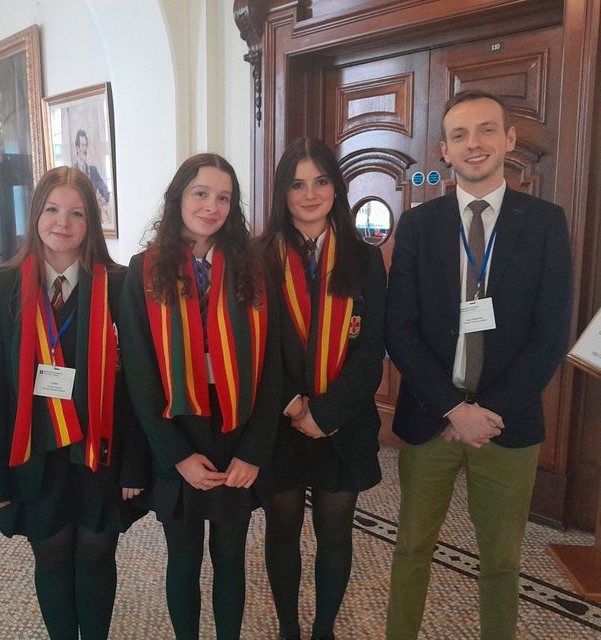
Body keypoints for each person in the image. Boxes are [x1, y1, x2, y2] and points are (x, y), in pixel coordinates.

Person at [384, 90, 573, 640]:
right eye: (461, 134)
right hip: (430, 420)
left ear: (510, 141)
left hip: (507, 424)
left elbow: (549, 334)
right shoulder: (418, 227)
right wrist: (452, 408)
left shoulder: (544, 223)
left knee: (502, 560)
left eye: (487, 130)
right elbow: (401, 329)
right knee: (412, 547)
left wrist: (485, 411)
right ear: (443, 149)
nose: (475, 144)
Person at [0, 166, 149, 640]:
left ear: (91, 221)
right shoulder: (6, 284)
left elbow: (139, 384)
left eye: (76, 212)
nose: (62, 222)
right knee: (50, 552)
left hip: (102, 454)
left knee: (96, 551)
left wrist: (136, 466)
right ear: (36, 215)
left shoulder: (119, 283)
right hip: (35, 453)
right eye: (51, 209)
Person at [120, 153, 281, 640]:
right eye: (201, 194)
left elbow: (272, 368)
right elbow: (141, 379)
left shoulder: (252, 269)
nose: (212, 206)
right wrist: (176, 457)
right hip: (178, 432)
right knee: (184, 558)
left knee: (231, 556)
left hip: (235, 430)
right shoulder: (143, 272)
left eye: (224, 198)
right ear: (178, 198)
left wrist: (254, 450)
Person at [259, 138, 386, 640]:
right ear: (282, 193)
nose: (309, 194)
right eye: (296, 184)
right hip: (278, 419)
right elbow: (257, 348)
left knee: (335, 530)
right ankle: (289, 628)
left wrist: (325, 413)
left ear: (337, 187)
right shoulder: (258, 257)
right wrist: (294, 405)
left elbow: (372, 346)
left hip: (343, 421)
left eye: (321, 181)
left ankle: (323, 628)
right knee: (283, 527)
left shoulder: (364, 258)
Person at [73, 129, 110, 204]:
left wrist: (101, 201)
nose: (85, 149)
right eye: (82, 145)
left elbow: (106, 193)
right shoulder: (71, 172)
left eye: (86, 145)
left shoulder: (93, 171)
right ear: (77, 148)